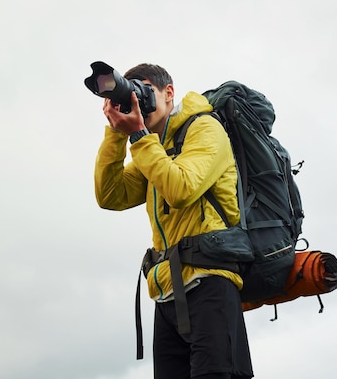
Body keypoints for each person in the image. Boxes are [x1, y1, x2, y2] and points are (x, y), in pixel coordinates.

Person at [94, 63, 253, 379]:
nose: (139, 103)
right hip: (167, 292)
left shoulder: (205, 129)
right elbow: (110, 195)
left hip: (209, 283)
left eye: (145, 92)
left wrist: (139, 135)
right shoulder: (153, 147)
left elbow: (180, 189)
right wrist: (116, 132)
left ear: (169, 93)